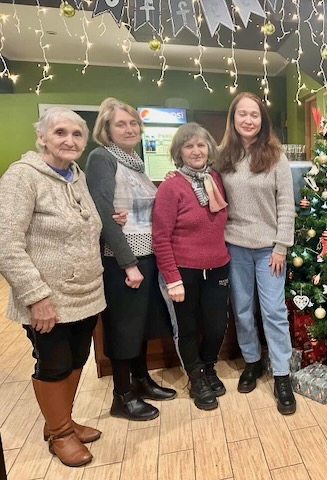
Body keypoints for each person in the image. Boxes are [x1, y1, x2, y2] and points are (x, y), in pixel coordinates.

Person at [0, 107, 105, 467]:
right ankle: (58, 433)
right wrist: (36, 297)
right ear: (41, 137)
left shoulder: (76, 176)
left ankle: (64, 420)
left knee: (77, 358)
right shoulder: (22, 177)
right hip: (49, 299)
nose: (70, 140)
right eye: (60, 132)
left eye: (77, 134)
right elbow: (6, 242)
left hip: (86, 295)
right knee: (54, 363)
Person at [85, 98, 176, 422]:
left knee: (141, 325)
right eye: (121, 124)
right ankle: (122, 396)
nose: (129, 129)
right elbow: (104, 214)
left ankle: (141, 380)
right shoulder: (102, 158)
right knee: (123, 328)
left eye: (133, 123)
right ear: (106, 129)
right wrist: (127, 264)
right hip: (124, 261)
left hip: (146, 255)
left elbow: (133, 209)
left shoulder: (134, 161)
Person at [217, 92, 296, 415]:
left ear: (262, 121)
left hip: (269, 250)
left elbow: (286, 205)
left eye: (255, 115)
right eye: (242, 114)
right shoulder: (221, 157)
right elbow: (200, 184)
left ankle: (281, 373)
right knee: (243, 310)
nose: (248, 120)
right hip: (234, 245)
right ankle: (252, 361)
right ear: (233, 119)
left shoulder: (276, 157)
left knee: (274, 311)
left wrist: (281, 246)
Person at [152, 123, 230, 411]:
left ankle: (208, 367)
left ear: (209, 148)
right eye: (189, 146)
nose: (196, 151)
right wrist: (172, 278)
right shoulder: (171, 187)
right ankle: (196, 377)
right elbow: (161, 236)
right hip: (183, 271)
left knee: (215, 326)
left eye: (201, 145)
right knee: (185, 328)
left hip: (218, 267)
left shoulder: (216, 180)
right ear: (179, 152)